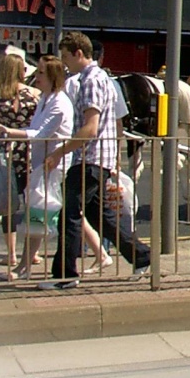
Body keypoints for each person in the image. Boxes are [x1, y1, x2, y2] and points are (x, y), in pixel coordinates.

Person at [41, 31, 150, 289]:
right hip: (99, 158)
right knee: (99, 216)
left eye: (66, 57)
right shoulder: (102, 79)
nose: (64, 63)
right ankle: (141, 255)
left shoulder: (90, 81)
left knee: (70, 215)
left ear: (79, 53)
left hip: (89, 158)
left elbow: (90, 128)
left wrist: (59, 152)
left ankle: (65, 275)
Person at [0, 55, 73, 281]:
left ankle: (25, 267)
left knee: (39, 216)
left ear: (53, 76)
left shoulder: (59, 103)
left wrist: (9, 131)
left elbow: (41, 134)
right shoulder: (45, 98)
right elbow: (35, 129)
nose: (37, 76)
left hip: (53, 166)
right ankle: (25, 266)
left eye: (42, 73)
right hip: (42, 165)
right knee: (44, 215)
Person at [0, 51, 40, 267]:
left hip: (5, 155)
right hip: (30, 152)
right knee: (33, 202)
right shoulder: (35, 95)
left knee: (9, 206)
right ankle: (32, 252)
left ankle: (12, 253)